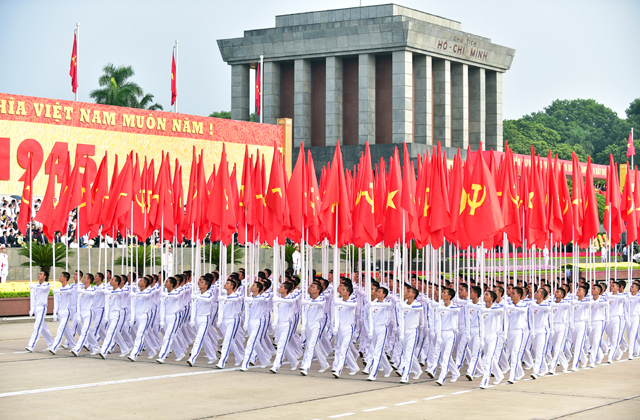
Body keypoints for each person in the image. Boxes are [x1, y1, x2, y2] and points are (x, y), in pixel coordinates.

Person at [432, 287, 461, 386]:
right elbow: (437, 322)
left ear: (449, 296)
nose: (442, 294)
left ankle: (442, 377)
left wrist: (443, 308)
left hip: (450, 333)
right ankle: (456, 372)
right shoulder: (439, 306)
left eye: (444, 293)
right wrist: (438, 334)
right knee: (443, 355)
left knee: (446, 356)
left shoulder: (454, 306)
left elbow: (456, 310)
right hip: (441, 333)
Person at [271, 281, 300, 373]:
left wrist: (277, 300)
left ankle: (276, 365)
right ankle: (294, 362)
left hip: (287, 324)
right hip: (279, 324)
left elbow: (290, 302)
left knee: (281, 345)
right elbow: (276, 311)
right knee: (283, 344)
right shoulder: (278, 299)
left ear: (286, 290)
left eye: (281, 287)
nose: (279, 288)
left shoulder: (291, 298)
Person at [300, 281, 328, 375]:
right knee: (314, 346)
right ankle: (324, 364)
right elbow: (304, 314)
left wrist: (307, 302)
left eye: (313, 287)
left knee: (310, 346)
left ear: (318, 290)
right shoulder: (308, 299)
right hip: (308, 325)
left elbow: (320, 304)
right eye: (311, 286)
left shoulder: (322, 299)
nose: (310, 288)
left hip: (316, 325)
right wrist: (303, 326)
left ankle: (305, 367)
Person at [187, 276, 217, 366]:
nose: (199, 283)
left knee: (199, 338)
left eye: (202, 282)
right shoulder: (197, 293)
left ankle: (192, 357)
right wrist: (192, 319)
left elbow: (207, 300)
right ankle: (212, 356)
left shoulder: (210, 293)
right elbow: (194, 308)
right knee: (205, 338)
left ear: (206, 285)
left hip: (205, 318)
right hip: (197, 318)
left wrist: (196, 297)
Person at [366, 286, 393, 381]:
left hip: (382, 328)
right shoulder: (372, 304)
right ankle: (388, 368)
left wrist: (374, 305)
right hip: (374, 329)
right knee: (376, 350)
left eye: (379, 292)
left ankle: (373, 374)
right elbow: (370, 318)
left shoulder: (387, 303)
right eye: (377, 291)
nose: (377, 293)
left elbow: (387, 306)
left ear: (384, 294)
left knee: (377, 351)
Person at [332, 282, 359, 378]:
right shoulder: (339, 302)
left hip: (348, 328)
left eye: (343, 290)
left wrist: (339, 302)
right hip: (340, 328)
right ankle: (354, 367)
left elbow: (353, 306)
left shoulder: (352, 301)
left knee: (343, 349)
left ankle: (338, 370)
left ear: (348, 292)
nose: (341, 291)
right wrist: (335, 327)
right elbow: (337, 316)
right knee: (340, 349)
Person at [71, 273, 100, 356]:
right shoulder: (81, 289)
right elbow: (78, 303)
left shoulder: (93, 289)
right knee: (88, 331)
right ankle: (96, 348)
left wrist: (82, 291)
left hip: (88, 313)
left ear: (89, 280)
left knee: (84, 332)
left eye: (85, 277)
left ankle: (77, 349)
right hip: (81, 312)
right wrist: (78, 314)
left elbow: (92, 294)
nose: (83, 279)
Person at [398, 287, 423, 384]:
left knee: (408, 354)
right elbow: (400, 319)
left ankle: (405, 375)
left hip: (412, 332)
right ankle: (418, 370)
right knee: (408, 353)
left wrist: (407, 307)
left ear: (413, 295)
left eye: (408, 292)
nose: (406, 293)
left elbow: (420, 309)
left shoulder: (417, 304)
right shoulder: (403, 304)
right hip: (404, 332)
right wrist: (400, 332)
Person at [49, 272, 77, 355]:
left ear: (65, 278)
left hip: (66, 311)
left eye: (61, 276)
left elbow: (68, 292)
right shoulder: (58, 289)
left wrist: (58, 291)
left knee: (60, 329)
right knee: (66, 330)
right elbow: (56, 302)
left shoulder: (70, 288)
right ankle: (74, 346)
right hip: (60, 312)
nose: (59, 277)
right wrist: (54, 313)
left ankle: (54, 347)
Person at [26, 270, 53, 352]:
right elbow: (33, 298)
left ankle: (31, 345)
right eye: (39, 274)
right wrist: (32, 309)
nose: (39, 275)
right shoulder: (35, 286)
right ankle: (52, 343)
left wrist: (33, 287)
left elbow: (44, 288)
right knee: (43, 327)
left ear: (45, 276)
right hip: (36, 308)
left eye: (41, 274)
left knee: (37, 326)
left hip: (42, 308)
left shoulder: (47, 285)